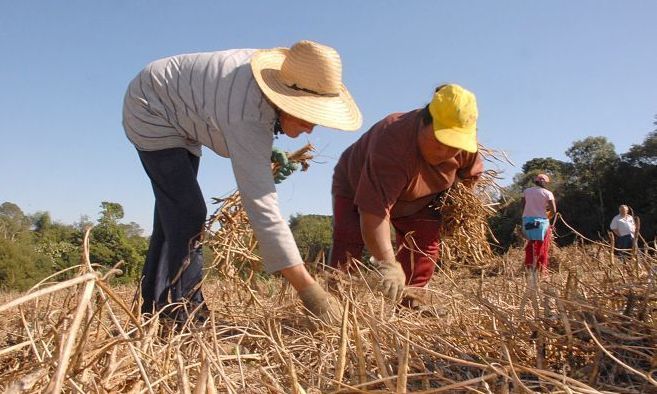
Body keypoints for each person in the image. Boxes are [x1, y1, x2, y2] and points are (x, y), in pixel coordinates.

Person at [122, 40, 362, 324]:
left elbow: (235, 124)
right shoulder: (246, 111)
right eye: (308, 115)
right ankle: (187, 314)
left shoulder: (270, 87)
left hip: (180, 108)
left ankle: (156, 310)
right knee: (187, 212)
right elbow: (262, 207)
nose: (311, 127)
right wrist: (310, 292)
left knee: (173, 217)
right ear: (285, 98)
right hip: (151, 107)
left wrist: (264, 150)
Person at [329, 84, 484, 303]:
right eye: (441, 142)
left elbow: (468, 179)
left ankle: (412, 301)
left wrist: (452, 208)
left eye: (455, 146)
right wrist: (388, 264)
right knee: (348, 241)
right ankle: (334, 302)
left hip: (420, 198)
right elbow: (374, 212)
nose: (447, 152)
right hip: (355, 185)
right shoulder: (393, 141)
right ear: (424, 120)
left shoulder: (467, 149)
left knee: (424, 243)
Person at [521, 174, 557, 273]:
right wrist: (548, 216)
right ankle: (541, 270)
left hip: (527, 221)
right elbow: (554, 210)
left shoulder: (526, 191)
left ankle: (529, 268)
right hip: (542, 222)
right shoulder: (548, 193)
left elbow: (523, 206)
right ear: (544, 182)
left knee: (530, 245)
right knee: (542, 246)